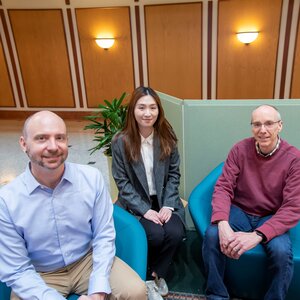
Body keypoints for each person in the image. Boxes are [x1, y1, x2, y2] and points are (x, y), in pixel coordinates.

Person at [0, 110, 147, 300]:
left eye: (59, 138)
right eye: (41, 138)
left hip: (86, 260)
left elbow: (103, 235)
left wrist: (97, 291)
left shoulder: (91, 178)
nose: (53, 147)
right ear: (24, 144)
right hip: (40, 272)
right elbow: (17, 269)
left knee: (136, 291)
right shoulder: (6, 200)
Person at [202, 104, 300, 300]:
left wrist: (258, 235)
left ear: (280, 126)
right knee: (212, 235)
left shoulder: (294, 158)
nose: (262, 130)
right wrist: (222, 223)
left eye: (269, 124)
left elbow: (293, 207)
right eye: (257, 124)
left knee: (281, 252)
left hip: (271, 215)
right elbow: (223, 187)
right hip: (240, 211)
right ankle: (216, 294)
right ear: (251, 127)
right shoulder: (239, 149)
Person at [111, 86, 185, 300]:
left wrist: (168, 205)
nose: (147, 113)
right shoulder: (120, 141)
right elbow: (122, 183)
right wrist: (144, 210)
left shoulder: (167, 138)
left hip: (164, 200)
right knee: (153, 235)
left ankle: (154, 275)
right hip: (135, 202)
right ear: (132, 110)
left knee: (174, 232)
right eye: (141, 107)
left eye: (153, 107)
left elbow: (173, 174)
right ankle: (144, 276)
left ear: (159, 111)